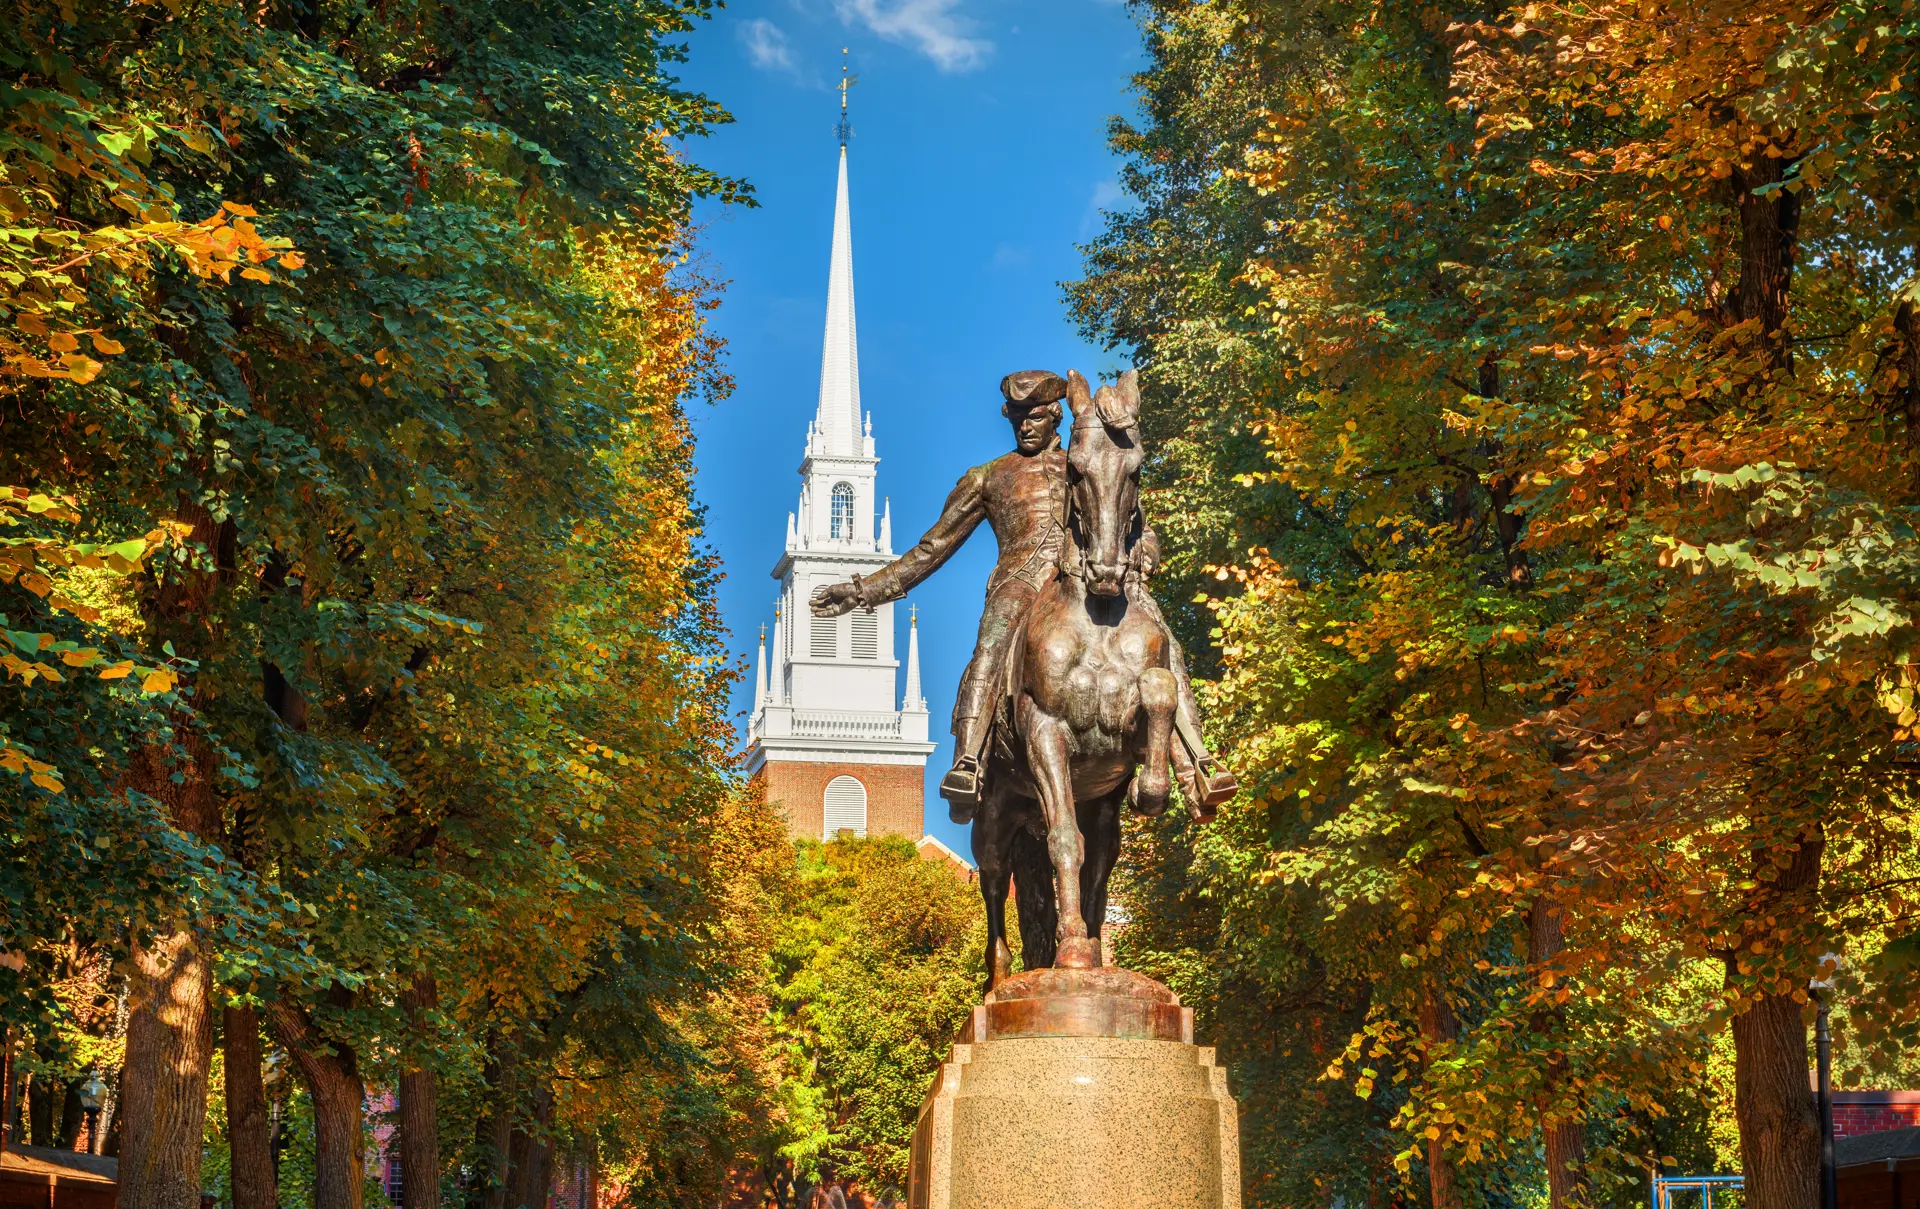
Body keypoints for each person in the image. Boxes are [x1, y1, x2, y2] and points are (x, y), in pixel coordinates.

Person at [809, 369, 1236, 821]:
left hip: (1091, 577)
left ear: (1055, 416)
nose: (1025, 426)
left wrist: (1146, 553)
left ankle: (1195, 767)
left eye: (1034, 417)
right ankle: (969, 761)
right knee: (990, 648)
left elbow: (1134, 521)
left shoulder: (1087, 458)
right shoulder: (988, 477)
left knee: (1163, 641)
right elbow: (932, 548)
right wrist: (864, 591)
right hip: (1022, 582)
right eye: (1016, 417)